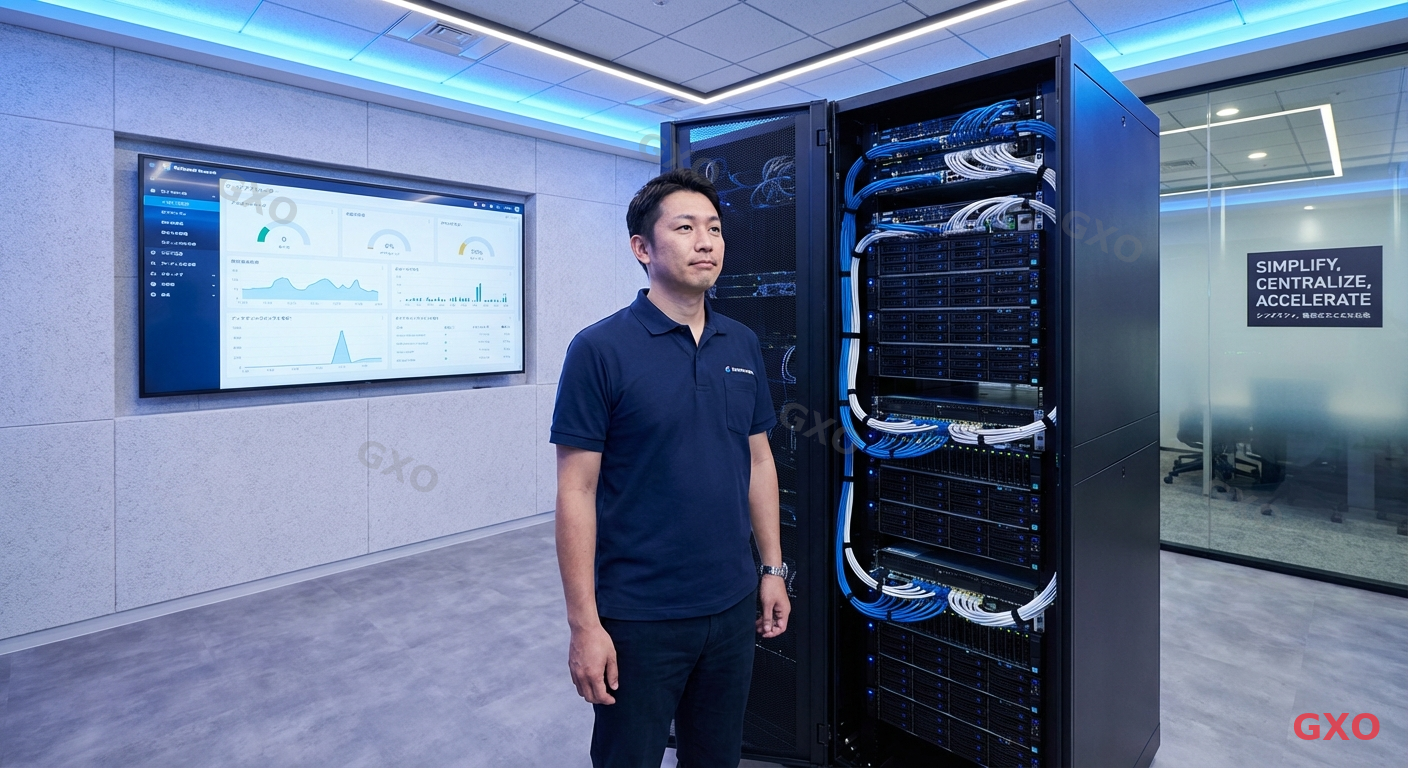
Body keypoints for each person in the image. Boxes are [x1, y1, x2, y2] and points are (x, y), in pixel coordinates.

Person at [551, 168, 791, 768]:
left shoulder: (741, 342)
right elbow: (576, 491)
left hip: (731, 604)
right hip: (640, 615)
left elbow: (759, 459)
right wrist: (584, 625)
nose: (705, 242)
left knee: (716, 758)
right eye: (685, 228)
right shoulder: (599, 350)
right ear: (642, 248)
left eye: (714, 228)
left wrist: (771, 568)